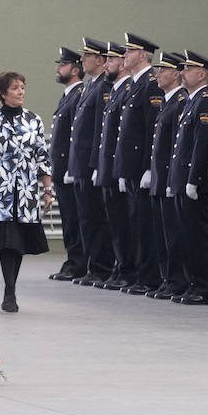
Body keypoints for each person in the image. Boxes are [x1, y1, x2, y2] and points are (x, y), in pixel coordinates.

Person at [0, 72, 53, 312]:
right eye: (15, 88)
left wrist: (48, 190)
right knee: (7, 241)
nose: (20, 92)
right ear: (3, 93)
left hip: (25, 191)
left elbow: (43, 159)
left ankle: (11, 286)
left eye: (23, 87)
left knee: (19, 243)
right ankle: (9, 291)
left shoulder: (34, 121)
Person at [167, 50, 208, 304]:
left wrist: (193, 179)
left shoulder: (206, 102)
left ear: (202, 74)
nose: (182, 73)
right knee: (185, 235)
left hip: (193, 182)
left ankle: (205, 287)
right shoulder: (190, 101)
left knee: (198, 237)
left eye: (188, 69)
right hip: (180, 178)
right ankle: (192, 283)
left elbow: (202, 145)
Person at [116, 33, 165, 295]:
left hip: (142, 167)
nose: (125, 55)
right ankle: (140, 273)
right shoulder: (135, 84)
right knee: (136, 223)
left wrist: (148, 166)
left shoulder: (150, 84)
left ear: (143, 55)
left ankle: (149, 277)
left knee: (145, 225)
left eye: (129, 51)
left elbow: (150, 129)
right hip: (131, 166)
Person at [69, 38, 115, 286]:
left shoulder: (104, 87)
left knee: (96, 219)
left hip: (90, 164)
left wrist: (97, 164)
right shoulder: (90, 86)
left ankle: (101, 266)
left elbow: (100, 129)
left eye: (87, 56)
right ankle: (92, 265)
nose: (82, 60)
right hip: (81, 163)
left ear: (100, 60)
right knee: (86, 218)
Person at [147, 53, 189, 299]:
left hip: (169, 177)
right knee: (162, 234)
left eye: (162, 70)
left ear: (175, 74)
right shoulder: (168, 101)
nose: (157, 74)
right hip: (159, 177)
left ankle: (177, 279)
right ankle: (167, 278)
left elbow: (177, 146)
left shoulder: (181, 101)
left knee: (174, 235)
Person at [95, 42, 132, 289]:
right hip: (110, 166)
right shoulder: (117, 90)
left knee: (124, 223)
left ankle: (128, 270)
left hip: (121, 167)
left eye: (111, 60)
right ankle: (121, 268)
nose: (106, 64)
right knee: (115, 223)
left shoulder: (128, 89)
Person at [48, 47, 86, 281]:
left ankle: (78, 263)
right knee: (69, 219)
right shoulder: (69, 95)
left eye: (62, 65)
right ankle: (73, 260)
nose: (57, 69)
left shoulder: (79, 94)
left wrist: (72, 167)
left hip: (70, 169)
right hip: (62, 169)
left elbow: (77, 136)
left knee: (76, 219)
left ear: (75, 68)